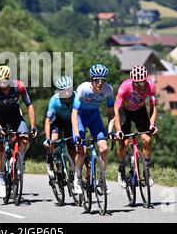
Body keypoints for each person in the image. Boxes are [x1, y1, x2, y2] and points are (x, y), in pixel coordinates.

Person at [0, 65, 38, 198]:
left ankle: (19, 158)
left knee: (25, 139)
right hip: (0, 118)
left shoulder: (19, 86)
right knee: (0, 149)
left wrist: (33, 125)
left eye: (5, 82)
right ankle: (2, 181)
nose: (3, 85)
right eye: (0, 82)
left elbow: (29, 105)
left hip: (15, 116)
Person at [71, 65, 115, 194]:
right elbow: (74, 113)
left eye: (103, 80)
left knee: (104, 148)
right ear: (92, 80)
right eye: (97, 80)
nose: (100, 83)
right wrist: (75, 133)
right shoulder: (83, 89)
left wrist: (110, 130)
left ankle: (102, 179)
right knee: (82, 150)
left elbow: (111, 113)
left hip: (95, 117)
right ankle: (77, 177)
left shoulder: (108, 90)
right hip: (81, 118)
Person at [114, 65, 158, 188]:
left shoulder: (151, 86)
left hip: (140, 111)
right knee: (124, 142)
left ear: (146, 79)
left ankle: (146, 171)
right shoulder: (125, 87)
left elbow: (153, 107)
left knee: (147, 139)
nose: (139, 86)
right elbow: (116, 109)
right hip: (125, 112)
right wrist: (118, 130)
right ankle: (121, 169)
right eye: (136, 84)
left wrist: (152, 124)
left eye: (142, 83)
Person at [44, 76, 76, 179]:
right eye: (63, 91)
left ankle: (72, 170)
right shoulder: (54, 100)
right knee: (54, 139)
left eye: (68, 90)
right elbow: (48, 120)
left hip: (71, 123)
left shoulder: (77, 97)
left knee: (72, 148)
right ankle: (49, 158)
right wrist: (47, 138)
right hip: (57, 122)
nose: (66, 93)